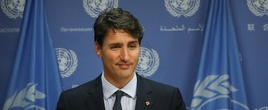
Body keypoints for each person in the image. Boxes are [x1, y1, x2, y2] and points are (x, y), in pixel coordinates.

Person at [56, 7, 186, 110]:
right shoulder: (72, 102)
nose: (125, 56)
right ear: (98, 49)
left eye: (132, 46)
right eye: (115, 47)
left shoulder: (168, 99)